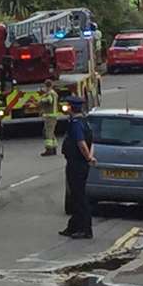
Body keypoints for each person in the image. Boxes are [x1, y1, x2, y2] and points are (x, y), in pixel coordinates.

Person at [59, 95, 97, 239]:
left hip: (76, 164)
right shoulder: (84, 121)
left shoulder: (75, 123)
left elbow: (81, 143)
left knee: (79, 197)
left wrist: (88, 157)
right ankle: (73, 227)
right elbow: (91, 142)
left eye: (68, 105)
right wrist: (90, 157)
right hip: (81, 163)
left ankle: (85, 229)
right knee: (76, 196)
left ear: (71, 108)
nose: (66, 108)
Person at [39, 79, 60, 156]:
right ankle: (53, 148)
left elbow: (49, 101)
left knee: (48, 133)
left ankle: (49, 150)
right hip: (52, 116)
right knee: (51, 133)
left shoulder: (50, 94)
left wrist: (41, 100)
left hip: (50, 116)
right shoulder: (53, 93)